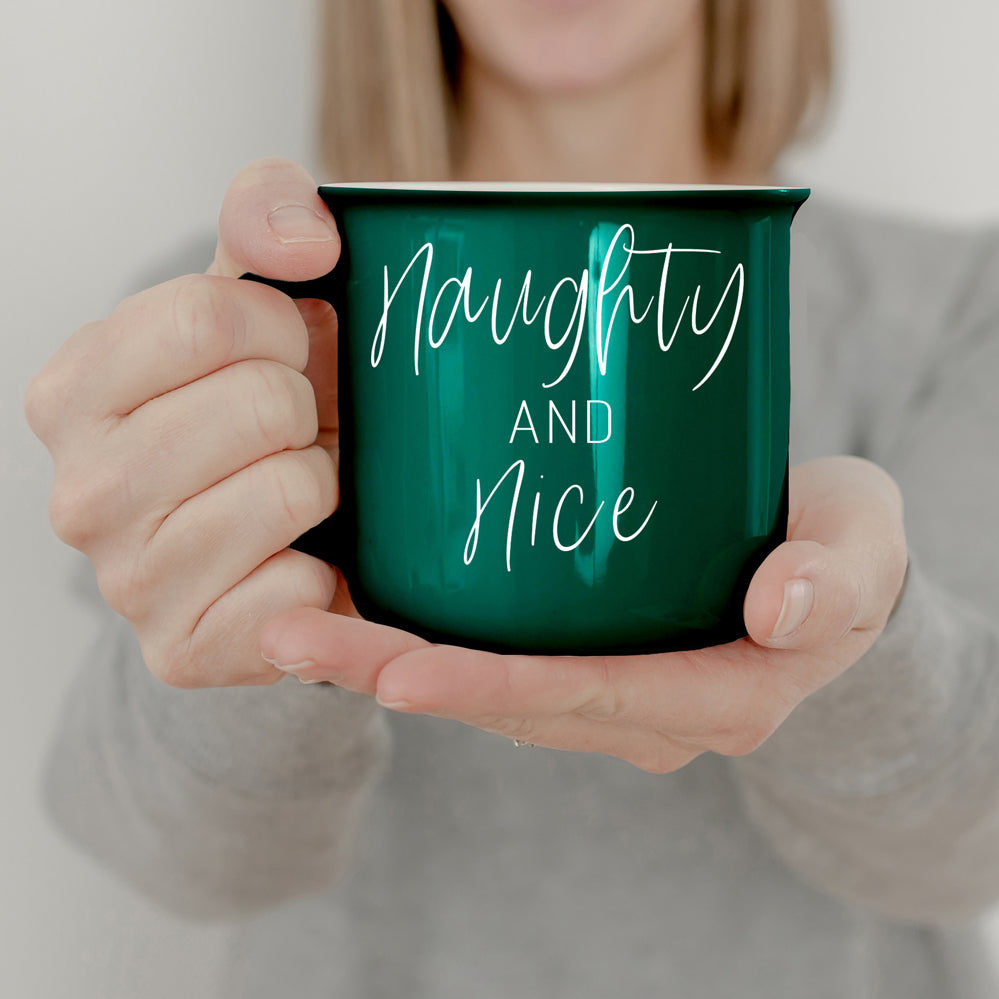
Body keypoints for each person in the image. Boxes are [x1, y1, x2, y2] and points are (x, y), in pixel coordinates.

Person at [24, 1, 999, 996]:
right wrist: (258, 617)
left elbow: (973, 844)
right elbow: (168, 858)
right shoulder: (239, 330)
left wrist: (859, 644)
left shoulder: (955, 310)